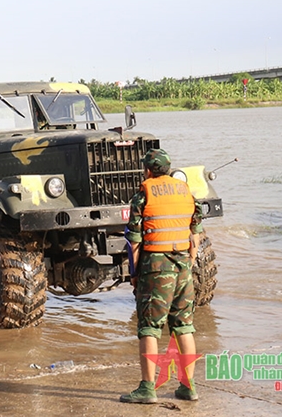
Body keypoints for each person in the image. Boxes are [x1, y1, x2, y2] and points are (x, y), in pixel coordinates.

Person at [121, 149, 203, 403]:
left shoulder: (143, 195)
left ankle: (147, 389)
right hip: (183, 267)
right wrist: (188, 261)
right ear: (168, 168)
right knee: (183, 326)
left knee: (149, 327)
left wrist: (134, 273)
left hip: (156, 267)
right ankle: (188, 387)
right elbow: (196, 234)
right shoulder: (185, 191)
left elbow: (133, 241)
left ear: (147, 170)